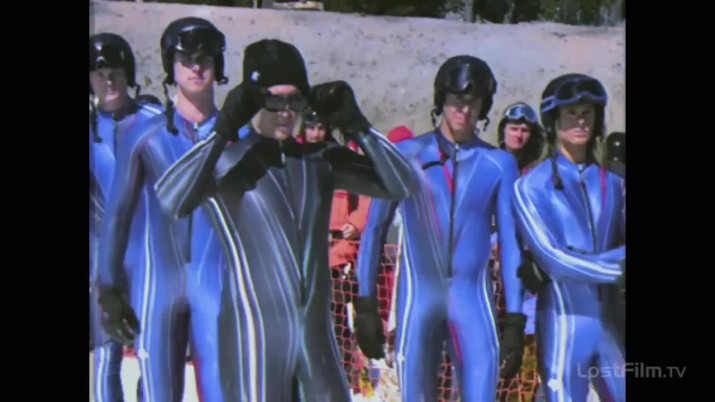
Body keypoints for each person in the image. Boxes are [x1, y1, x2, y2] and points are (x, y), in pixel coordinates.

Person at [152, 38, 417, 401]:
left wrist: (359, 127)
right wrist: (222, 130)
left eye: (296, 101)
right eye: (275, 101)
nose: (287, 112)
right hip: (254, 341)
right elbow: (170, 200)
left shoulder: (318, 160)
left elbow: (404, 184)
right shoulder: (230, 163)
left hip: (316, 342)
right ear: (253, 101)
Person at [356, 55, 526, 402]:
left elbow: (510, 243)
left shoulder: (499, 164)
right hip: (420, 300)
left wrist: (515, 319)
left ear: (484, 107)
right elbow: (374, 229)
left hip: (472, 299)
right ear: (441, 100)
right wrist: (365, 304)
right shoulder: (406, 154)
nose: (464, 110)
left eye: (473, 101)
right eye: (456, 100)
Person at [95, 17, 234, 402]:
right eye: (186, 58)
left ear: (218, 65)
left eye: (205, 58)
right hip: (157, 285)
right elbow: (118, 216)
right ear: (170, 66)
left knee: (221, 392)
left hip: (215, 285)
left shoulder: (238, 138)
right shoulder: (144, 136)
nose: (196, 67)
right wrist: (108, 287)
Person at [512, 73, 626, 402]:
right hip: (564, 326)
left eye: (587, 113)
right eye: (571, 113)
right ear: (553, 121)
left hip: (611, 326)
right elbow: (553, 260)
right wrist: (616, 268)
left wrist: (593, 261)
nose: (580, 121)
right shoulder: (531, 186)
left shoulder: (613, 183)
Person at [89, 32, 163, 402]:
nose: (109, 81)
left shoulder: (156, 121)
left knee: (154, 358)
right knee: (107, 356)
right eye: (99, 74)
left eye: (116, 72)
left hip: (151, 258)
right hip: (103, 260)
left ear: (129, 74)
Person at [493, 102, 545, 402]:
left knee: (524, 358)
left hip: (525, 280)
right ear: (503, 131)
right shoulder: (488, 165)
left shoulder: (537, 175)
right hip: (487, 279)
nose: (519, 135)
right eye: (514, 128)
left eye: (525, 130)